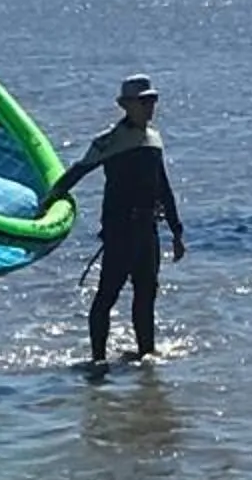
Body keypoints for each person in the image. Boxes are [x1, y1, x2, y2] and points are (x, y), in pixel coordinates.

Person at [48, 75, 186, 365]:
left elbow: (163, 185)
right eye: (144, 101)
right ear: (127, 105)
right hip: (120, 230)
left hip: (149, 230)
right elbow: (78, 171)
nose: (150, 107)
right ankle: (97, 361)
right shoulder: (110, 141)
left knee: (146, 294)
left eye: (153, 101)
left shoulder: (154, 139)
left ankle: (146, 356)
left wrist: (176, 230)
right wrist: (48, 201)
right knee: (107, 295)